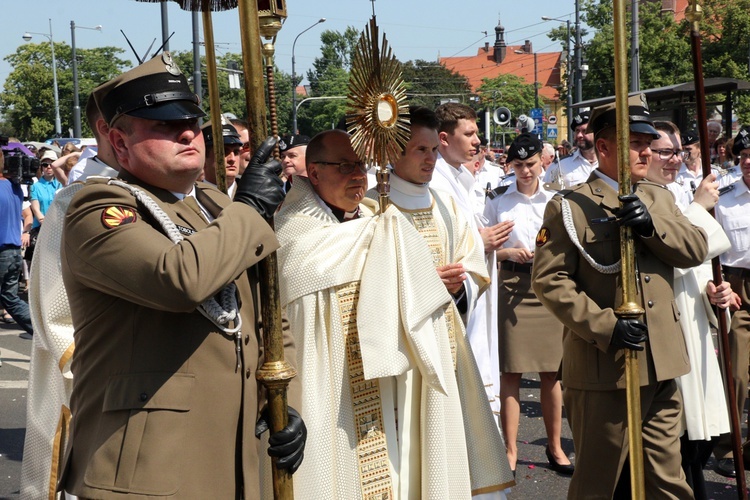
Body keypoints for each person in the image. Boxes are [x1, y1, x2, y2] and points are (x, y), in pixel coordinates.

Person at [58, 53, 305, 499]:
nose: (188, 132)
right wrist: (250, 211)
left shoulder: (216, 205)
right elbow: (179, 280)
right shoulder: (98, 208)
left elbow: (271, 316)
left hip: (237, 453)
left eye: (191, 119)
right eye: (165, 125)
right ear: (118, 139)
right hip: (151, 463)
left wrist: (284, 403)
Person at [275, 128, 513, 498]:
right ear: (314, 172)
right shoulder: (297, 234)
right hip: (333, 391)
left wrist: (429, 285)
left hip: (396, 386)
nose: (356, 174)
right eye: (343, 166)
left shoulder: (379, 218)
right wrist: (415, 281)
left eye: (359, 165)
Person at [532, 94, 708, 499]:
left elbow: (695, 248)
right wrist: (606, 326)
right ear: (606, 147)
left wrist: (650, 228)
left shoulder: (658, 196)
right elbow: (550, 281)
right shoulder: (570, 205)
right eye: (636, 142)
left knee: (668, 481)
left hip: (660, 361)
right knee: (598, 482)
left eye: (649, 141)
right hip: (604, 367)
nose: (647, 150)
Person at [20, 95, 120, 500]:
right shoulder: (73, 201)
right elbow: (56, 314)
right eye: (160, 127)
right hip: (100, 382)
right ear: (111, 134)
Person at [645, 120, 731, 497]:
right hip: (664, 339)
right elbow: (672, 254)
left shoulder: (676, 196)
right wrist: (698, 208)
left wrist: (716, 296)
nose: (674, 160)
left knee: (700, 443)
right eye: (665, 152)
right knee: (671, 445)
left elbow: (695, 269)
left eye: (678, 152)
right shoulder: (642, 199)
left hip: (694, 330)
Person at [485, 133, 572, 477]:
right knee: (512, 370)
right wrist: (507, 252)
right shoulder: (498, 201)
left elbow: (568, 242)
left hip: (547, 286)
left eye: (530, 164)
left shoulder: (556, 200)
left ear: (542, 163)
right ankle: (509, 449)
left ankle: (555, 445)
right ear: (509, 165)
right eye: (518, 165)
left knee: (552, 372)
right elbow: (484, 244)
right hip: (512, 284)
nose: (524, 171)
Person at [430, 102, 513, 419]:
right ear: (445, 139)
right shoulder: (437, 182)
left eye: (476, 133)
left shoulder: (459, 177)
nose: (478, 141)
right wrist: (482, 240)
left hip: (476, 293)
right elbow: (438, 244)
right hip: (458, 295)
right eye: (469, 134)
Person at [711, 124, 750, 478]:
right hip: (737, 288)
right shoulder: (724, 198)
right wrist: (720, 284)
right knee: (736, 374)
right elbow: (710, 248)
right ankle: (727, 446)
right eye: (746, 156)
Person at [0, 150, 33, 336]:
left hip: (3, 250)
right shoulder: (15, 187)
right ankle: (42, 335)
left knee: (9, 299)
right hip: (13, 252)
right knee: (10, 298)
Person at [544, 112, 598, 188]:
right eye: (577, 131)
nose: (579, 135)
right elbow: (549, 194)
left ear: (596, 133)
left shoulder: (610, 163)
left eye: (584, 131)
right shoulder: (559, 165)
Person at [201, 116, 243, 198]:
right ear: (204, 158)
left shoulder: (252, 195)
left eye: (236, 152)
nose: (232, 159)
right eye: (223, 152)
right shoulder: (192, 196)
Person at [29, 152, 63, 230]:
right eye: (45, 165)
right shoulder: (35, 186)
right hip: (41, 227)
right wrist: (46, 224)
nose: (48, 167)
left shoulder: (61, 184)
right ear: (42, 167)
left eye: (51, 164)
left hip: (59, 226)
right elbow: (35, 209)